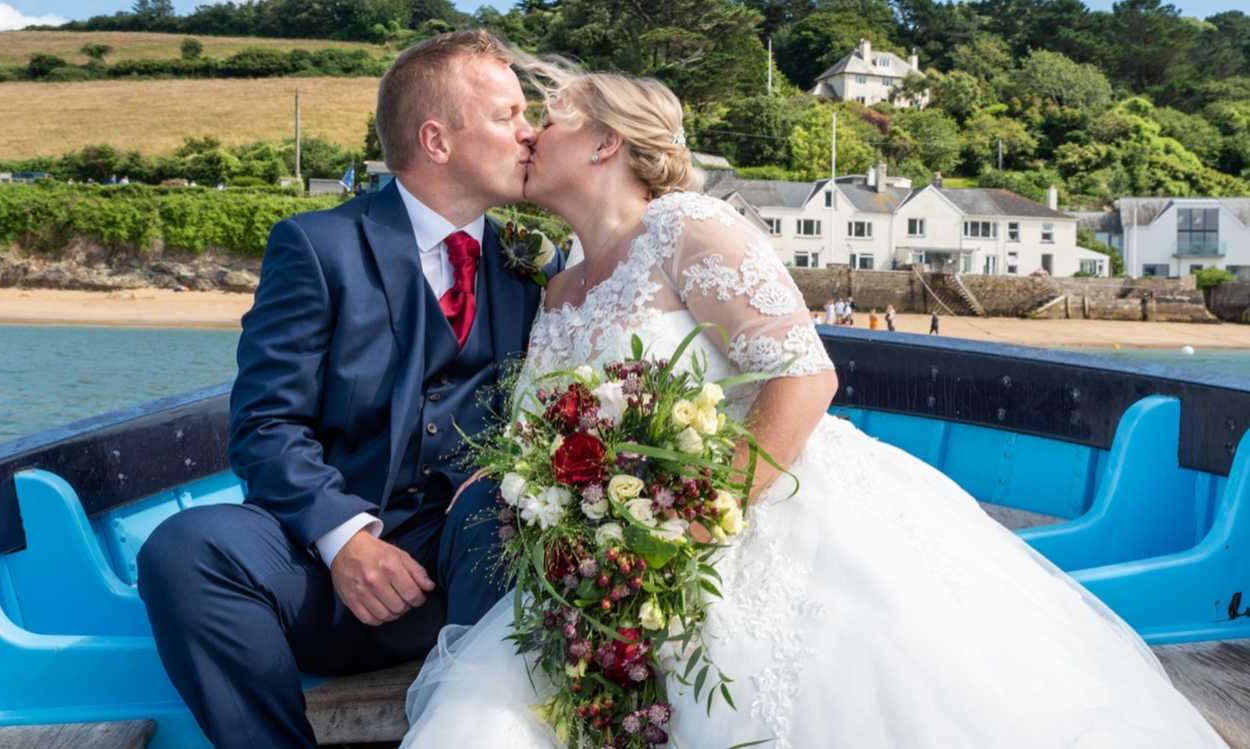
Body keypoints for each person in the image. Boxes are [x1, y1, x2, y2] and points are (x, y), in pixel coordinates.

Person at [398, 60, 1228, 749]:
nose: (532, 134)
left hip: (744, 513)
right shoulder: (559, 284)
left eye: (553, 116)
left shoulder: (688, 227)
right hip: (608, 556)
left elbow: (805, 375)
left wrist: (689, 526)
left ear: (608, 139)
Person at [136, 30, 562, 749]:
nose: (530, 135)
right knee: (183, 549)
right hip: (320, 575)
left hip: (467, 573)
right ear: (437, 139)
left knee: (506, 500)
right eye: (508, 115)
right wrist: (347, 541)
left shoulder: (533, 266)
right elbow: (266, 423)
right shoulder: (317, 247)